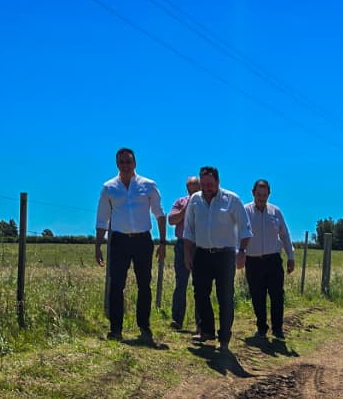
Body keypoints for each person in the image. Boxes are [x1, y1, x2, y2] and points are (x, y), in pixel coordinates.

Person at [93, 147, 166, 343]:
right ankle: (116, 329)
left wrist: (162, 242)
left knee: (144, 284)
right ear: (117, 164)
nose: (125, 165)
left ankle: (144, 326)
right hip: (119, 240)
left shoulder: (148, 185)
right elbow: (102, 219)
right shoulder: (109, 187)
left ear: (135, 163)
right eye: (122, 162)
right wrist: (98, 245)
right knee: (116, 285)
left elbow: (160, 214)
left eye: (129, 161)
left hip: (143, 240)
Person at [180, 165, 251, 351]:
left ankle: (224, 338)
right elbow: (189, 230)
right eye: (203, 184)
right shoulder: (194, 201)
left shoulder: (232, 200)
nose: (206, 188)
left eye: (210, 184)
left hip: (225, 255)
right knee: (200, 293)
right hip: (202, 253)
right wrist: (188, 254)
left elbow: (245, 229)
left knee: (225, 296)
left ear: (218, 182)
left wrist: (242, 252)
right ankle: (207, 331)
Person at [245, 179, 295, 342]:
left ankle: (278, 329)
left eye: (264, 195)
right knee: (257, 296)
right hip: (253, 261)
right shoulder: (245, 211)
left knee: (277, 295)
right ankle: (261, 327)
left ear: (269, 195)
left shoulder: (276, 212)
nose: (261, 198)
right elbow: (236, 235)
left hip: (273, 260)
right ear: (253, 193)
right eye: (259, 195)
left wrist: (291, 256)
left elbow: (285, 235)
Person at [167, 175, 200, 332]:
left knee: (200, 285)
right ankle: (177, 319)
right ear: (187, 189)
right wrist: (185, 209)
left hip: (201, 247)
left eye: (196, 189)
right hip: (182, 246)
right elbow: (171, 220)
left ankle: (201, 323)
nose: (193, 192)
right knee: (181, 283)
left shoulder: (207, 203)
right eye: (190, 189)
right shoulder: (180, 202)